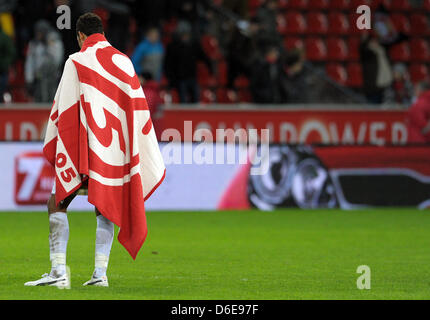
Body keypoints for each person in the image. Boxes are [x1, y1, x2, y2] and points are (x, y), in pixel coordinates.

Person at [24, 13, 165, 288]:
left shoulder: (76, 60)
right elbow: (136, 108)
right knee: (105, 207)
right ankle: (100, 274)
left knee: (57, 202)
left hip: (84, 150)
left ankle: (58, 272)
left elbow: (65, 110)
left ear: (80, 36)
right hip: (113, 152)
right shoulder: (123, 61)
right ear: (102, 32)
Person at [164, 21, 214, 103]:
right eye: (183, 34)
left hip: (192, 77)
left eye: (187, 34)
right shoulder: (173, 47)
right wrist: (171, 78)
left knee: (196, 100)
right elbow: (168, 64)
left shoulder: (194, 45)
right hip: (180, 78)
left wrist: (210, 68)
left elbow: (203, 57)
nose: (185, 36)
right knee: (183, 101)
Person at [24, 20, 64, 102]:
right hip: (37, 79)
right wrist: (29, 79)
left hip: (52, 79)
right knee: (38, 100)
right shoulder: (34, 44)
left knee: (52, 101)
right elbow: (30, 62)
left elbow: (57, 60)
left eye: (40, 32)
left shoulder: (54, 41)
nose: (37, 34)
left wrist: (48, 45)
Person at [0, 24, 15, 102]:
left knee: (2, 90)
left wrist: (4, 64)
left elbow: (10, 53)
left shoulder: (5, 37)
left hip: (2, 71)